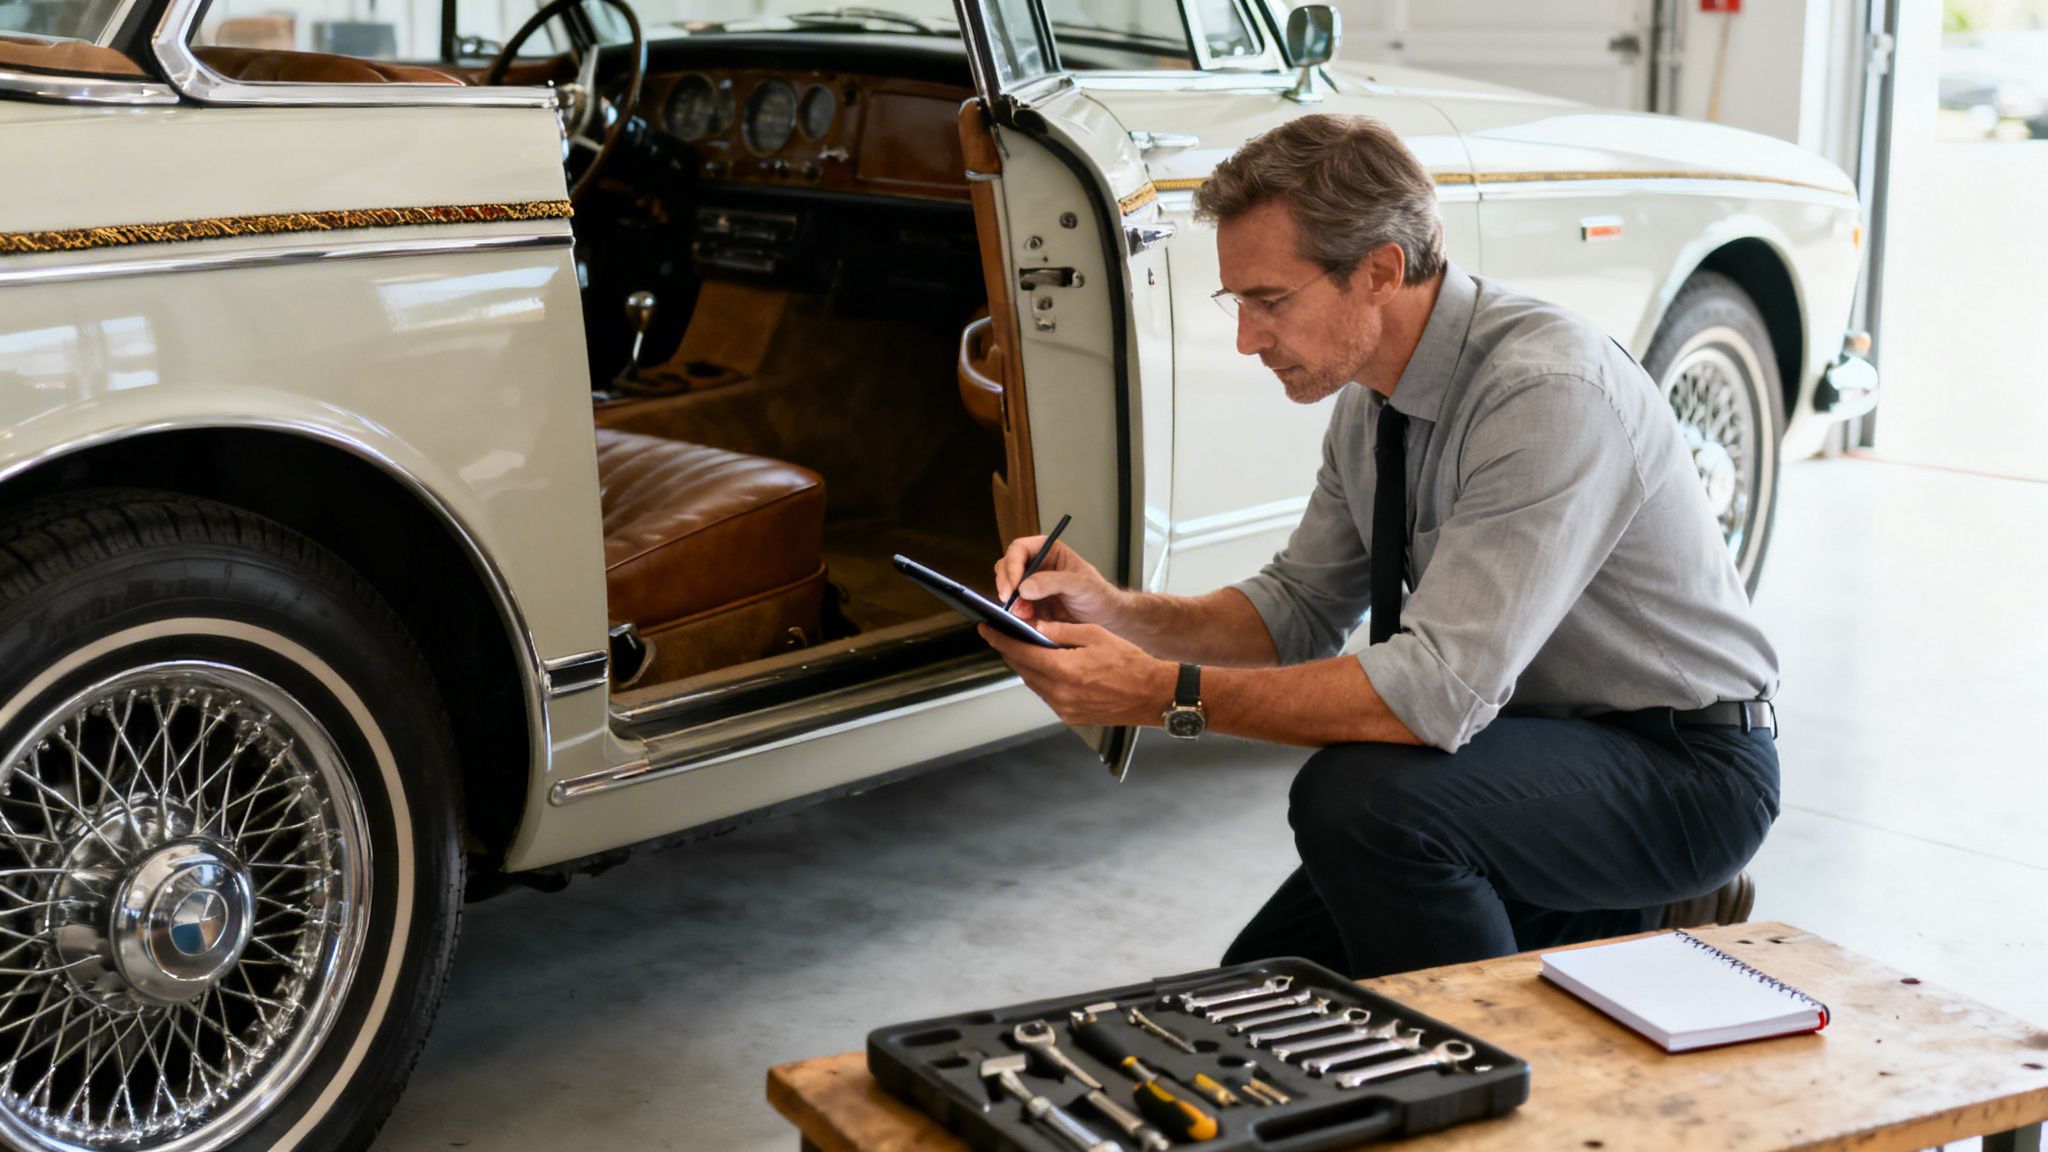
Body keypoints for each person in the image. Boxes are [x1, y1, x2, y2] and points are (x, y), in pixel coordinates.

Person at [976, 113, 1781, 979]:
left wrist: (1160, 695)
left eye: (1269, 300)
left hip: (1681, 772)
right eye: (1235, 300)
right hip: (1518, 751)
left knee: (1357, 803)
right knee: (1262, 986)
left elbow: (1432, 695)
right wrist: (1121, 613)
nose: (1247, 338)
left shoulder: (1547, 392)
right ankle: (1567, 931)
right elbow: (1296, 609)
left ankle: (1490, 1079)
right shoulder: (1372, 399)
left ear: (1381, 272)